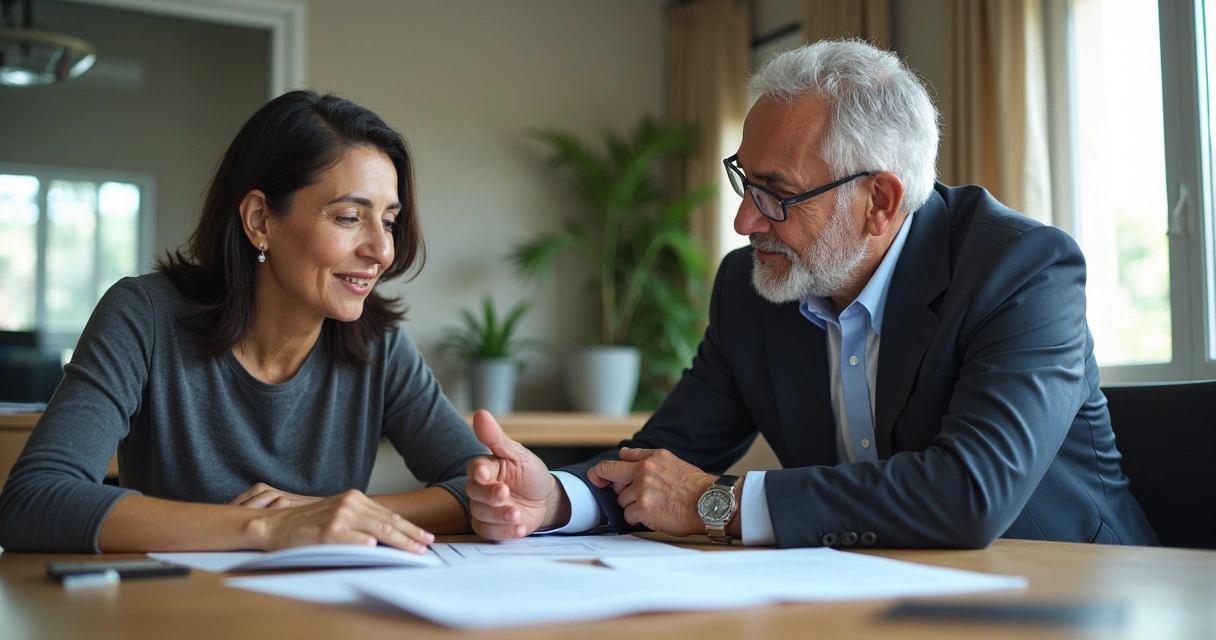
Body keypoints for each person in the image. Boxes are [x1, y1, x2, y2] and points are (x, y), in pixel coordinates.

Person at [463, 40, 1158, 548]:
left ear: (880, 201)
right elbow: (664, 461)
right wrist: (555, 500)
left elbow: (970, 493)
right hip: (872, 596)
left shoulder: (1021, 269)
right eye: (745, 181)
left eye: (777, 194)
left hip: (1074, 594)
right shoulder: (751, 289)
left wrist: (716, 503)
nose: (744, 221)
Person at [0, 91, 488, 553]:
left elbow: (481, 490)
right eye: (348, 217)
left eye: (390, 222)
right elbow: (34, 500)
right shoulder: (143, 316)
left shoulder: (379, 344)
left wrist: (332, 514)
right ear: (259, 220)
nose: (382, 250)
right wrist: (269, 528)